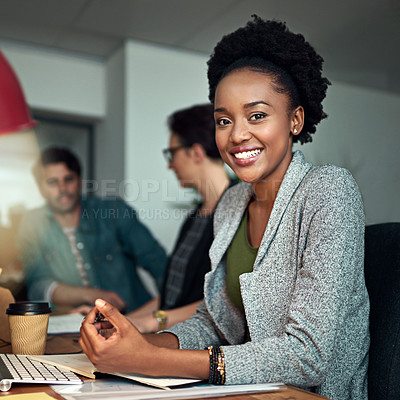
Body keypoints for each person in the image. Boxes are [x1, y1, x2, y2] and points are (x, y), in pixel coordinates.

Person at [79, 16, 369, 400]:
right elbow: (216, 326)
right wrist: (140, 342)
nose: (236, 134)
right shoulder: (232, 203)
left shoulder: (328, 191)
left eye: (258, 115)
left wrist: (150, 359)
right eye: (223, 120)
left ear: (295, 120)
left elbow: (307, 356)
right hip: (247, 388)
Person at [17, 147, 167, 313]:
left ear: (80, 181)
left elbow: (158, 262)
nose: (63, 189)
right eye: (52, 182)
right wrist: (90, 295)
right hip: (76, 325)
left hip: (133, 317)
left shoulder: (113, 211)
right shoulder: (32, 224)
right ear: (40, 188)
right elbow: (38, 287)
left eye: (69, 179)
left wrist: (170, 312)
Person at [126, 104, 232, 332]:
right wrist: (122, 320)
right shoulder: (195, 217)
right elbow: (172, 296)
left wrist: (150, 322)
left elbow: (226, 301)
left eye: (172, 153)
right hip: (170, 335)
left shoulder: (240, 212)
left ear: (196, 152)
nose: (170, 164)